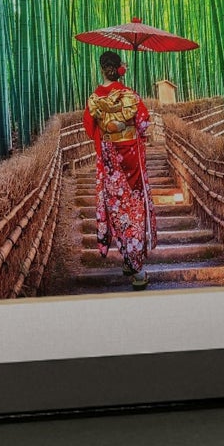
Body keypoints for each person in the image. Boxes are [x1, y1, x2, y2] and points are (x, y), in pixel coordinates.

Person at [82, 50, 156, 290]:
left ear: (101, 69)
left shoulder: (94, 98)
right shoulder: (130, 96)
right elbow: (143, 124)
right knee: (133, 210)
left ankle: (127, 258)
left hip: (110, 162)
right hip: (131, 162)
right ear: (118, 68)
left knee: (116, 210)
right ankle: (137, 270)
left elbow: (89, 128)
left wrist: (108, 135)